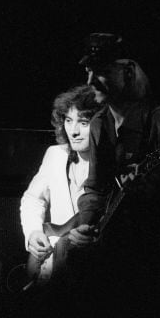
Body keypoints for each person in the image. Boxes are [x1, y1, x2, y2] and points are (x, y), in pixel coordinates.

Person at [75, 32, 160, 318]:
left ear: (127, 72)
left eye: (99, 71)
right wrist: (86, 223)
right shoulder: (100, 123)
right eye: (88, 71)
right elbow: (96, 186)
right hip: (113, 258)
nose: (90, 80)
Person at [20, 85, 103, 275]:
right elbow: (33, 199)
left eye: (83, 123)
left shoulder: (110, 169)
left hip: (93, 271)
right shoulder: (55, 155)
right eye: (68, 120)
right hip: (51, 266)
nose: (73, 131)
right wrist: (33, 232)